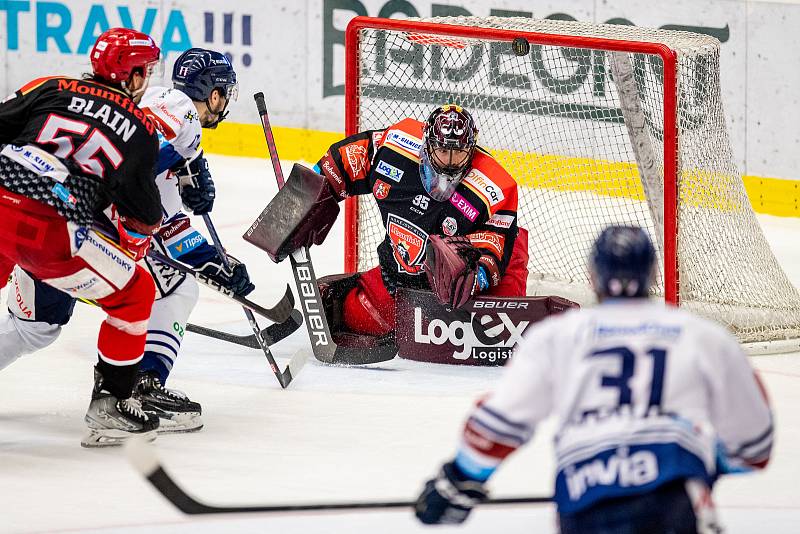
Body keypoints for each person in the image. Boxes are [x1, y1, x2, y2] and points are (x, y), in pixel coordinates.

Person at [414, 225, 774, 532]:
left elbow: (497, 426)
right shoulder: (701, 336)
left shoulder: (560, 336)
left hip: (587, 500)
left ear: (592, 275)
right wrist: (698, 461)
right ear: (652, 275)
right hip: (676, 504)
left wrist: (458, 481)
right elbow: (755, 445)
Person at [0, 47, 254, 434]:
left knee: (33, 328)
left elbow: (164, 214)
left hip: (28, 208)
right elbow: (154, 208)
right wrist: (211, 261)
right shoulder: (177, 107)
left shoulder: (77, 93)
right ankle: (140, 387)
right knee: (169, 289)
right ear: (215, 95)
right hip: (75, 234)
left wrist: (192, 168)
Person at [0, 28, 163, 446]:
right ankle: (110, 401)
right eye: (145, 71)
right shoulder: (140, 127)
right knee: (136, 293)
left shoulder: (48, 85)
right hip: (48, 230)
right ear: (133, 75)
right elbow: (144, 214)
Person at [259, 104, 528, 338]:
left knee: (498, 331)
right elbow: (343, 162)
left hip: (463, 280)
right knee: (349, 316)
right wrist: (301, 202)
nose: (448, 161)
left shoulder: (493, 185)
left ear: (471, 148)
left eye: (457, 153)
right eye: (442, 151)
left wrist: (479, 275)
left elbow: (497, 240)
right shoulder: (395, 147)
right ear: (426, 143)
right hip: (403, 271)